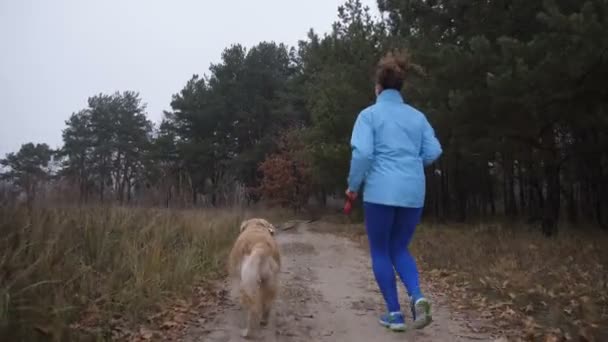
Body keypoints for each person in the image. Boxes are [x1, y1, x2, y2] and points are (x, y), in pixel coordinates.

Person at [346, 50, 442, 332]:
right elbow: (434, 150)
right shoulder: (418, 117)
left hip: (380, 192)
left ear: (378, 87)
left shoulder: (369, 116)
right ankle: (418, 296)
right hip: (413, 193)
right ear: (400, 87)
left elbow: (362, 153)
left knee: (380, 250)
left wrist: (353, 188)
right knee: (399, 247)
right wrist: (412, 165)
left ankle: (395, 314)